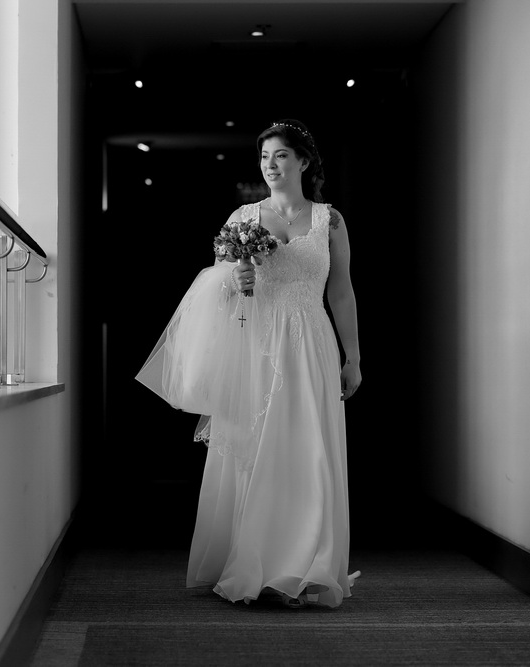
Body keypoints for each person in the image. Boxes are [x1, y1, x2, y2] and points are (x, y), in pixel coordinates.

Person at [137, 119, 361, 608]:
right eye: (264, 158)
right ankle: (257, 562)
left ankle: (307, 567)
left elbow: (341, 293)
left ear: (303, 161)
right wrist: (235, 278)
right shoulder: (244, 217)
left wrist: (354, 358)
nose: (271, 166)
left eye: (280, 156)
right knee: (261, 450)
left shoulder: (331, 220)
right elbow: (213, 288)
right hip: (258, 346)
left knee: (311, 450)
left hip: (313, 343)